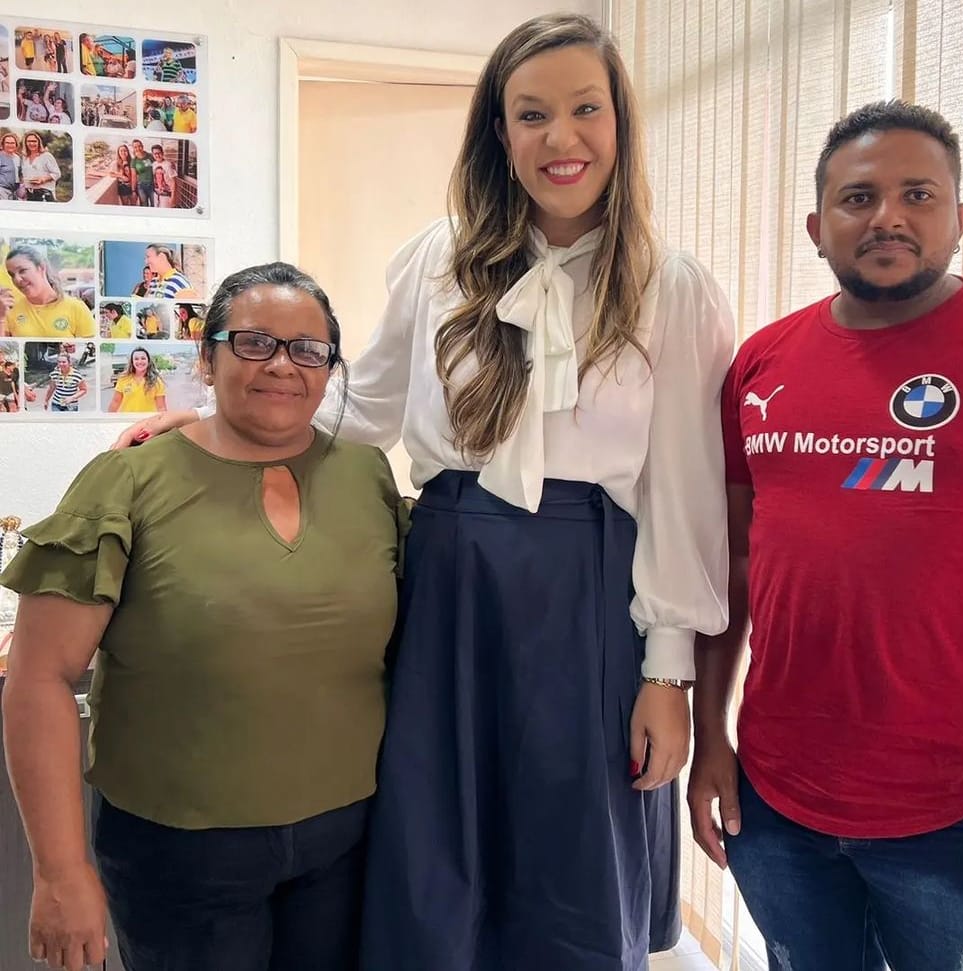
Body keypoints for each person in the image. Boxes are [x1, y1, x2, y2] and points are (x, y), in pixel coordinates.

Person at [114, 14, 733, 970]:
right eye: (531, 114)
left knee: (573, 852)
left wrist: (668, 673)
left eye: (585, 109)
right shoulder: (439, 259)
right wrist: (210, 424)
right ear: (499, 132)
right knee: (438, 849)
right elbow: (357, 407)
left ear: (621, 122)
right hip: (450, 576)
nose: (560, 138)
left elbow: (685, 488)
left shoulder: (672, 285)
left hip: (590, 597)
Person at [689, 100, 963, 971]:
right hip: (777, 801)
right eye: (859, 198)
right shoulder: (760, 364)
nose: (888, 217)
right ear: (817, 227)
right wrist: (710, 733)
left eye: (918, 195)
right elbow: (735, 564)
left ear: (960, 217)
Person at [1, 262, 406, 971]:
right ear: (206, 357)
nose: (281, 364)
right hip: (180, 858)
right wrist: (60, 872)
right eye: (254, 342)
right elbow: (39, 678)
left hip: (345, 845)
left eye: (308, 349)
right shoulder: (128, 481)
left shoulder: (366, 476)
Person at [0, 245, 95, 337]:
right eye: (12, 275)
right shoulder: (10, 311)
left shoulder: (76, 308)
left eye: (22, 271)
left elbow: (91, 346)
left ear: (41, 268)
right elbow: (3, 347)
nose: (17, 279)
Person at [107, 346, 166, 413]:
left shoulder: (156, 381)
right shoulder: (123, 379)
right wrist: (109, 418)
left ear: (148, 361)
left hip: (148, 419)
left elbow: (161, 407)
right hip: (127, 418)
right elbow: (115, 402)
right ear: (132, 362)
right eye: (136, 359)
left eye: (143, 358)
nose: (140, 361)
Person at [20, 131, 61, 202]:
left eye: (34, 141)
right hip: (29, 195)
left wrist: (43, 179)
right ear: (25, 143)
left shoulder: (46, 156)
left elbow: (57, 174)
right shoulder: (25, 157)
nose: (31, 143)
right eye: (28, 141)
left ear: (39, 142)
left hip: (44, 194)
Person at [0, 132, 21, 200]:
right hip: (2, 190)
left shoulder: (18, 157)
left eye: (12, 143)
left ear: (16, 144)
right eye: (7, 143)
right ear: (3, 144)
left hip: (15, 192)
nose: (10, 145)